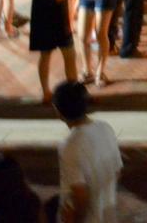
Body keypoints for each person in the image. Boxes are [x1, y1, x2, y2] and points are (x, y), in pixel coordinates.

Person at [52, 80, 122, 222]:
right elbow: (117, 170)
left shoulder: (69, 146)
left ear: (58, 111)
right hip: (108, 214)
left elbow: (80, 195)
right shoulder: (105, 128)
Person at [30, 0, 78, 104]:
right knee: (69, 54)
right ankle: (74, 89)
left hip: (41, 15)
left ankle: (45, 91)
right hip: (56, 17)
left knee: (45, 55)